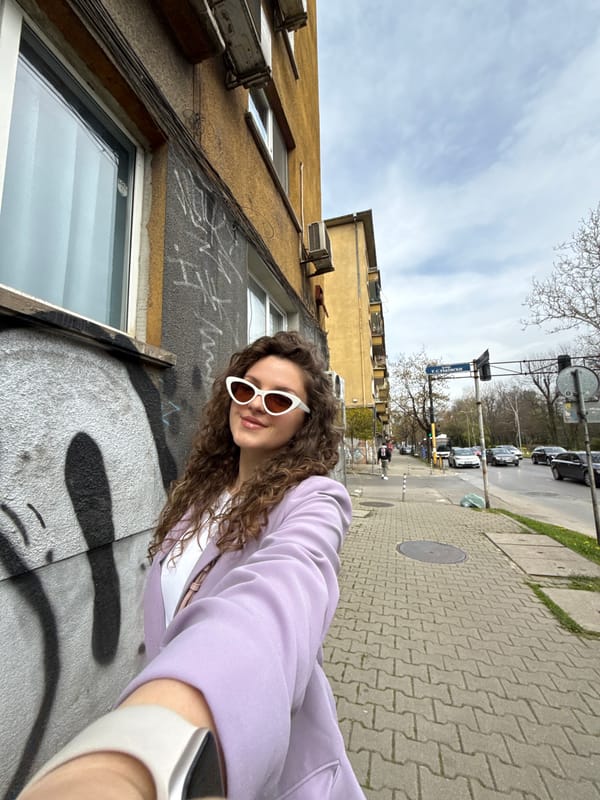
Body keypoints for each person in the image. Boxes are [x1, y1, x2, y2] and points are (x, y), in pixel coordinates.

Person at [18, 331, 365, 800]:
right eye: (245, 388)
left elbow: (286, 587)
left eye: (279, 399)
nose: (256, 404)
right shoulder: (204, 493)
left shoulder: (314, 499)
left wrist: (147, 745)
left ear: (306, 422)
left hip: (261, 750)